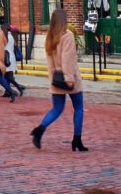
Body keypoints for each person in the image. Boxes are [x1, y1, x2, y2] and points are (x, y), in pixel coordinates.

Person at [31, 9, 87, 152]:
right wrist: (69, 78)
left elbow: (49, 61)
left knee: (57, 109)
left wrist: (52, 78)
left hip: (56, 78)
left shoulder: (50, 36)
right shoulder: (67, 35)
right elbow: (67, 59)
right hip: (69, 78)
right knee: (79, 108)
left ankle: (40, 130)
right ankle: (77, 139)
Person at [1, 23, 26, 97]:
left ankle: (17, 88)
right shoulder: (11, 36)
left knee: (7, 77)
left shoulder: (4, 37)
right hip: (11, 57)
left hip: (6, 58)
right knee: (8, 76)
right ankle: (8, 91)